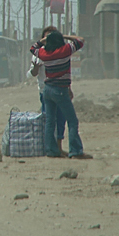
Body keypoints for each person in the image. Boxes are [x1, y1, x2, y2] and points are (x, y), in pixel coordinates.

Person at [30, 30, 92, 159]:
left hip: (47, 89)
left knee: (50, 122)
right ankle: (75, 151)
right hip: (60, 89)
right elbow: (80, 40)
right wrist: (64, 35)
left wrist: (44, 39)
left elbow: (33, 48)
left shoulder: (44, 53)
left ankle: (51, 150)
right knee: (72, 120)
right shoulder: (64, 51)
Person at [28, 26, 68, 157]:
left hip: (61, 90)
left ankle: (58, 147)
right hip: (45, 92)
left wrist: (69, 88)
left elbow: (65, 72)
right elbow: (32, 74)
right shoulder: (39, 54)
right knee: (49, 120)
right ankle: (49, 149)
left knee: (61, 119)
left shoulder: (61, 52)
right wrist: (35, 68)